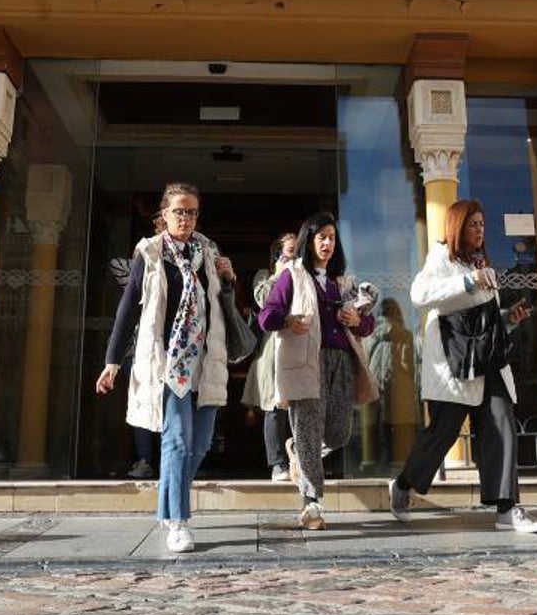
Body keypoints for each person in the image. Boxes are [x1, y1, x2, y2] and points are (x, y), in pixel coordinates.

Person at [387, 199, 537, 534]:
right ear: (458, 226)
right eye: (473, 224)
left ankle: (507, 509)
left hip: (489, 361)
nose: (480, 230)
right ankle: (403, 484)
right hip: (455, 364)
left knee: (502, 425)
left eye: (483, 224)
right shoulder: (442, 257)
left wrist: (509, 320)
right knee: (442, 435)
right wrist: (469, 282)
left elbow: (484, 320)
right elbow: (421, 294)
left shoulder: (481, 262)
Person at [95, 182, 235, 554]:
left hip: (206, 361)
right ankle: (178, 522)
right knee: (176, 441)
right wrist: (112, 362)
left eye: (191, 212)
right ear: (164, 215)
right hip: (169, 364)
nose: (186, 218)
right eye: (179, 211)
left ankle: (166, 503)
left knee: (201, 444)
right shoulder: (150, 253)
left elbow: (224, 307)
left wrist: (229, 278)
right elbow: (129, 311)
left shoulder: (208, 253)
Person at [258, 211, 380, 530]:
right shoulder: (292, 275)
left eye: (332, 237)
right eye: (321, 237)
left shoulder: (343, 282)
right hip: (305, 362)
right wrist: (288, 320)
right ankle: (311, 504)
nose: (327, 243)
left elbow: (367, 325)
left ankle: (299, 449)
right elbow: (266, 316)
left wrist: (358, 321)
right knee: (310, 431)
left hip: (341, 362)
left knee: (339, 433)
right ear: (308, 241)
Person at [241, 233, 298, 481]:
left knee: (301, 406)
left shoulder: (305, 277)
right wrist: (279, 273)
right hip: (273, 350)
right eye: (289, 251)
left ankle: (301, 458)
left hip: (299, 346)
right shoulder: (265, 277)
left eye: (298, 252)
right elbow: (264, 300)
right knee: (275, 406)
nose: (294, 257)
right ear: (277, 255)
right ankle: (277, 463)